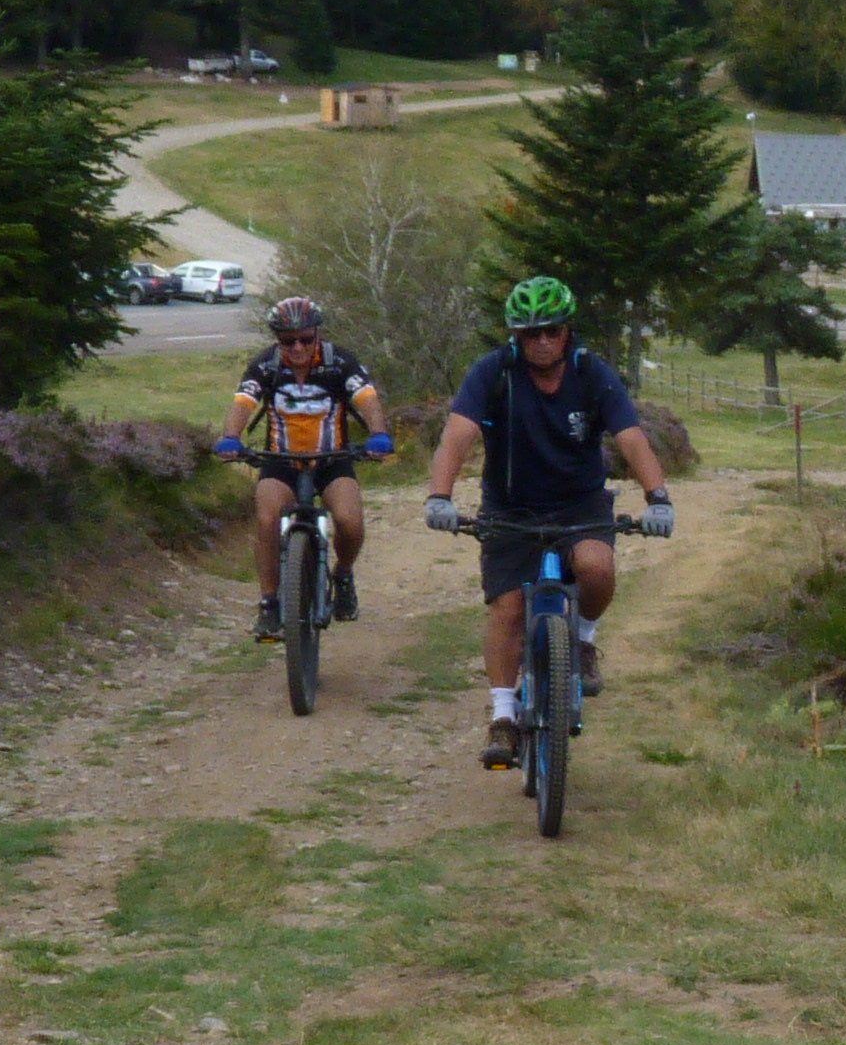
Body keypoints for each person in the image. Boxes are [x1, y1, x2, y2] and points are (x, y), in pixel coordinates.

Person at [423, 276, 674, 770]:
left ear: (567, 331)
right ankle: (502, 716)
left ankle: (581, 642)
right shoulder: (494, 373)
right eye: (530, 332)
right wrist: (439, 496)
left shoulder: (592, 373)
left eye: (551, 331)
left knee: (597, 568)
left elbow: (630, 437)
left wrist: (658, 498)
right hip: (510, 508)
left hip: (580, 505)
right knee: (509, 609)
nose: (541, 341)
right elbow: (458, 435)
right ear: (516, 337)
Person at [219, 297, 394, 639]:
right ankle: (269, 603)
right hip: (280, 461)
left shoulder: (338, 362)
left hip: (332, 459)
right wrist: (230, 437)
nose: (297, 347)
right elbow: (244, 402)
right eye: (287, 340)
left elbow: (367, 398)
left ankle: (343, 575)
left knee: (348, 520)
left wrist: (378, 433)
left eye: (304, 339)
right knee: (268, 519)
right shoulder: (266, 366)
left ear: (317, 334)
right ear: (276, 339)